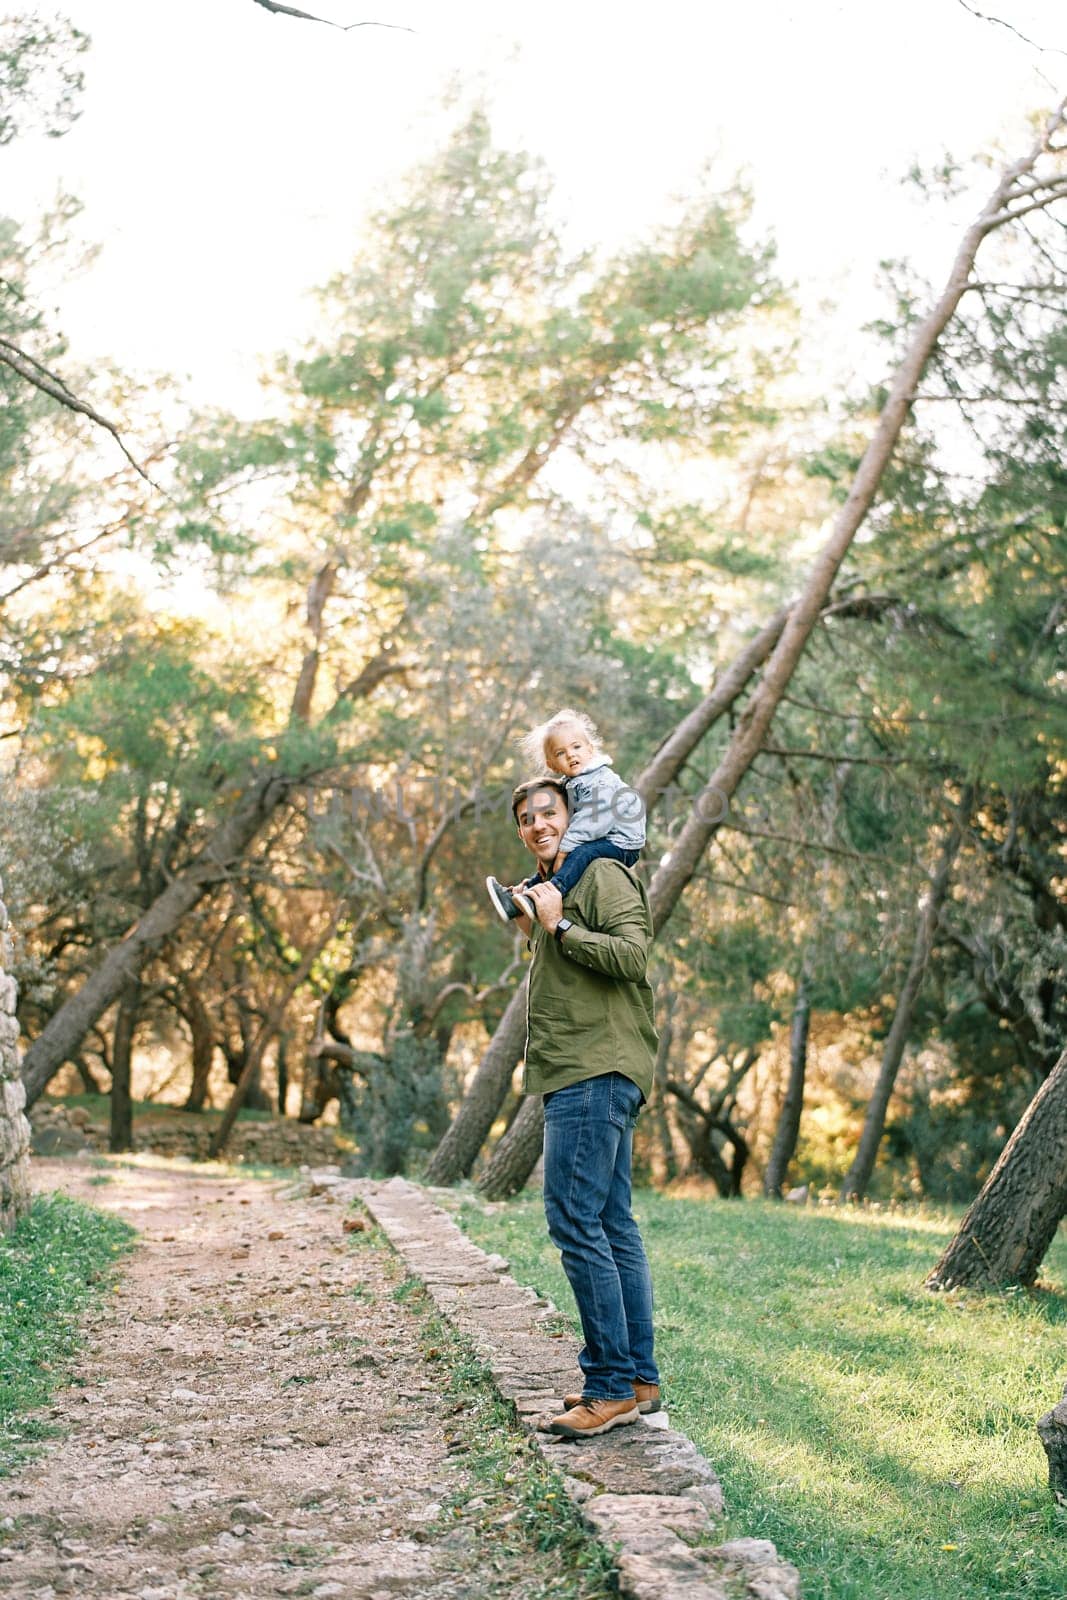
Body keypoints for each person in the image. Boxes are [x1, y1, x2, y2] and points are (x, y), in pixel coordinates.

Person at [509, 776, 661, 1441]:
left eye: (549, 811)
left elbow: (632, 956)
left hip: (594, 1070)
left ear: (576, 816)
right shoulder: (556, 885)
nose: (538, 823)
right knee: (609, 1223)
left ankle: (606, 1387)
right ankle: (635, 1380)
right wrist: (545, 916)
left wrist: (561, 926)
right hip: (589, 1068)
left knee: (574, 1220)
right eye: (525, 818)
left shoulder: (598, 871)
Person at [486, 709, 644, 923]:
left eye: (576, 747)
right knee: (565, 859)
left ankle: (553, 890)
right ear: (552, 764)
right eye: (561, 753)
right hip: (603, 836)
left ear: (590, 749)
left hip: (623, 842)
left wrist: (563, 850)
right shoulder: (572, 782)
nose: (571, 755)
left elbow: (592, 822)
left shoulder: (603, 782)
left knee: (581, 853)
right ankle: (518, 898)